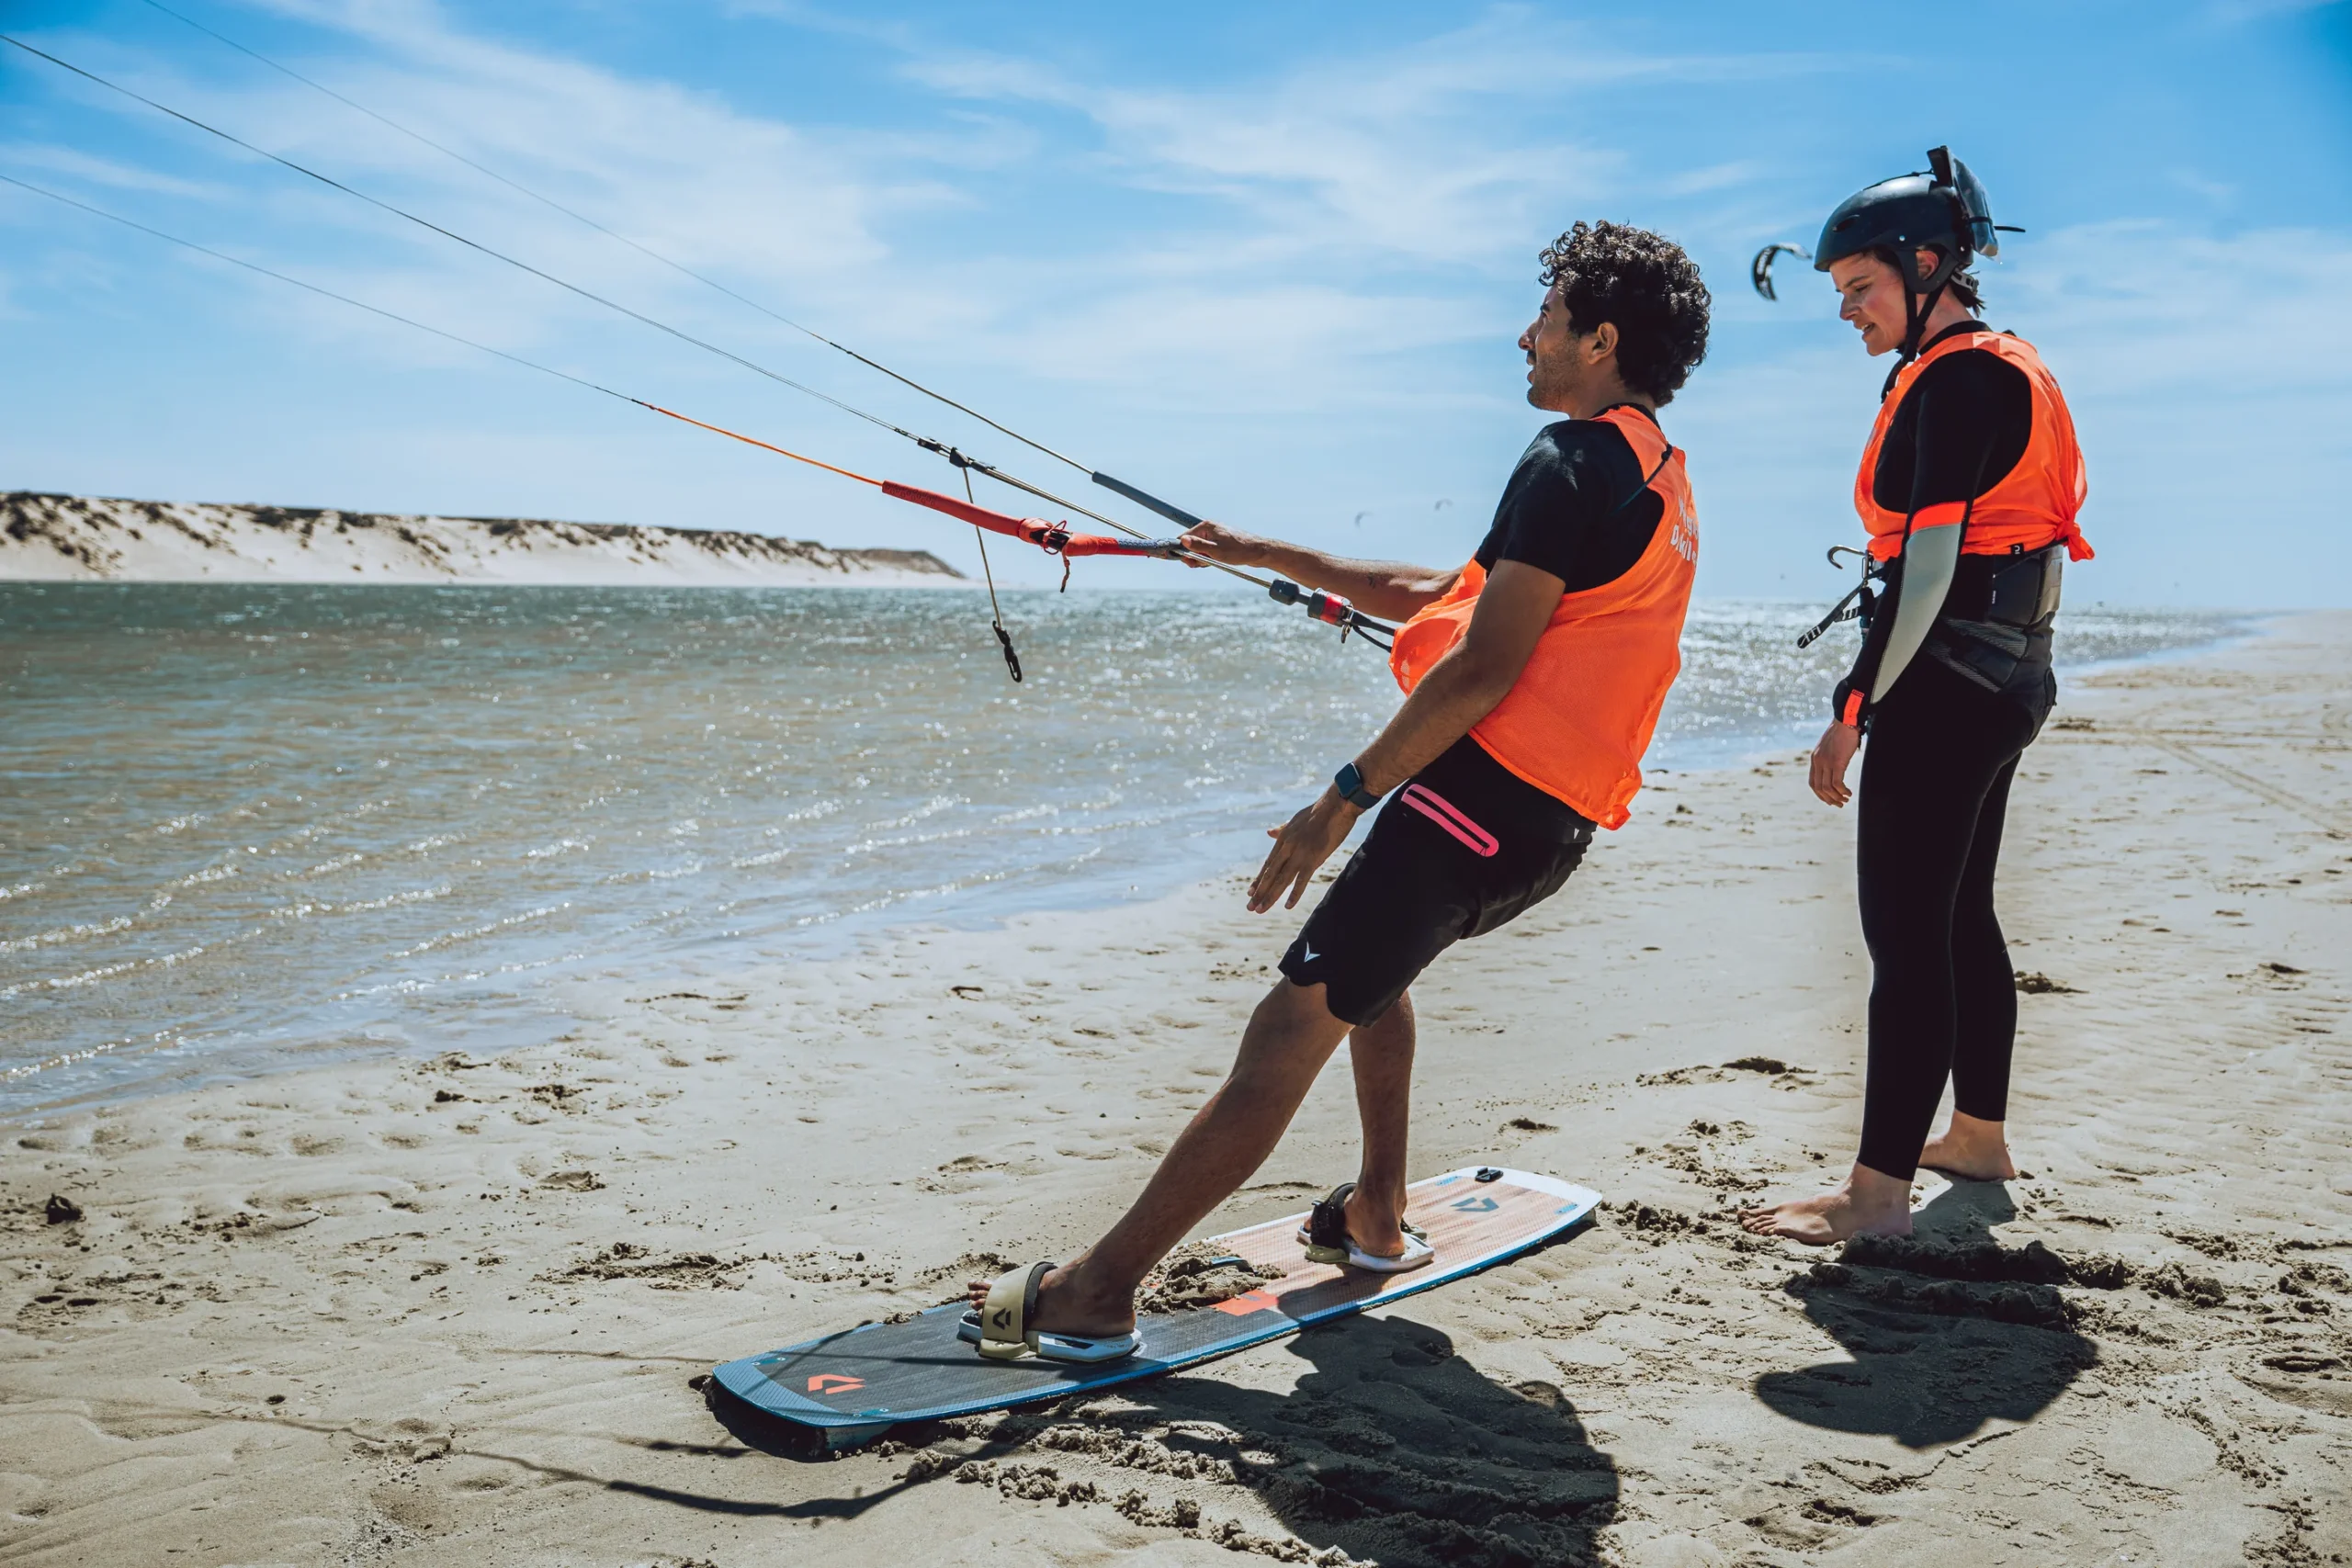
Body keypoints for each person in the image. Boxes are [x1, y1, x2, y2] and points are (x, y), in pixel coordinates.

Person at [964, 221, 1712, 1361]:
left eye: (1547, 317)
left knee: (1289, 1026)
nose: (1525, 336)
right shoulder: (1649, 468)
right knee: (1373, 974)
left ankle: (1098, 1291)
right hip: (1545, 827)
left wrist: (1344, 797)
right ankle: (1376, 1211)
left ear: (1600, 339)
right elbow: (1442, 592)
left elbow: (1482, 666)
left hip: (1474, 808)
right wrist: (1262, 552)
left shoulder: (1567, 462)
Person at [1742, 150, 2092, 1247]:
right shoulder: (1999, 365)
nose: (1846, 309)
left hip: (1947, 683)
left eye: (1861, 286)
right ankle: (1975, 1137)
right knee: (1958, 913)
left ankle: (1876, 1195)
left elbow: (1929, 568)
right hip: (2009, 670)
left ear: (1928, 265)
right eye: (1839, 291)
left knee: (1903, 937)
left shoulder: (1958, 379)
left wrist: (1852, 706)